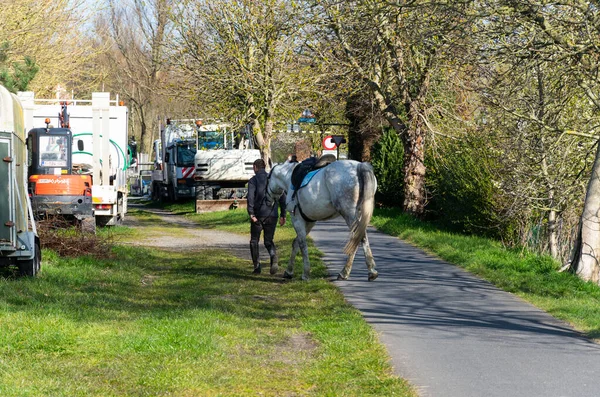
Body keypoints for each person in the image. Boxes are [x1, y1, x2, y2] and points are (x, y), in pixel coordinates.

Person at [247, 159, 286, 274]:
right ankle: (273, 257)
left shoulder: (253, 181)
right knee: (268, 241)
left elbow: (250, 198)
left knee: (254, 241)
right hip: (272, 215)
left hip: (258, 216)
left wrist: (251, 213)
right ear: (264, 166)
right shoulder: (273, 180)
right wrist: (283, 214)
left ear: (255, 167)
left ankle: (257, 266)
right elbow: (282, 198)